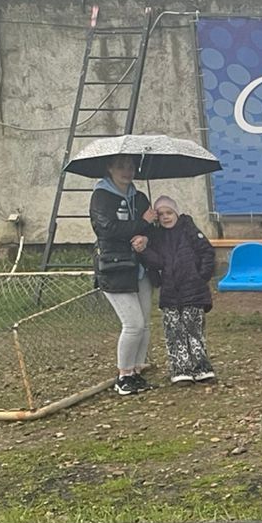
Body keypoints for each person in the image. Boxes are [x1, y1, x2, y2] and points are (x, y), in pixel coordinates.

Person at [89, 155, 155, 396]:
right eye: (120, 166)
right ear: (109, 168)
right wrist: (141, 224)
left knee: (144, 324)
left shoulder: (140, 197)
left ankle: (136, 371)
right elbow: (107, 229)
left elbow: (152, 227)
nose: (127, 171)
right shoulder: (101, 197)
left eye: (130, 166)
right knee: (133, 324)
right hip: (114, 267)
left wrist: (145, 237)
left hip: (140, 268)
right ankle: (123, 375)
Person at [140, 195, 216, 383]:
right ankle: (180, 368)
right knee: (174, 331)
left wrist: (202, 276)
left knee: (194, 329)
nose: (166, 217)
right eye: (161, 214)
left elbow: (207, 251)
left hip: (193, 290)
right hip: (170, 292)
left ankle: (201, 367)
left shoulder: (189, 230)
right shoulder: (157, 236)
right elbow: (157, 261)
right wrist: (144, 251)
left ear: (176, 213)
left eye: (169, 212)